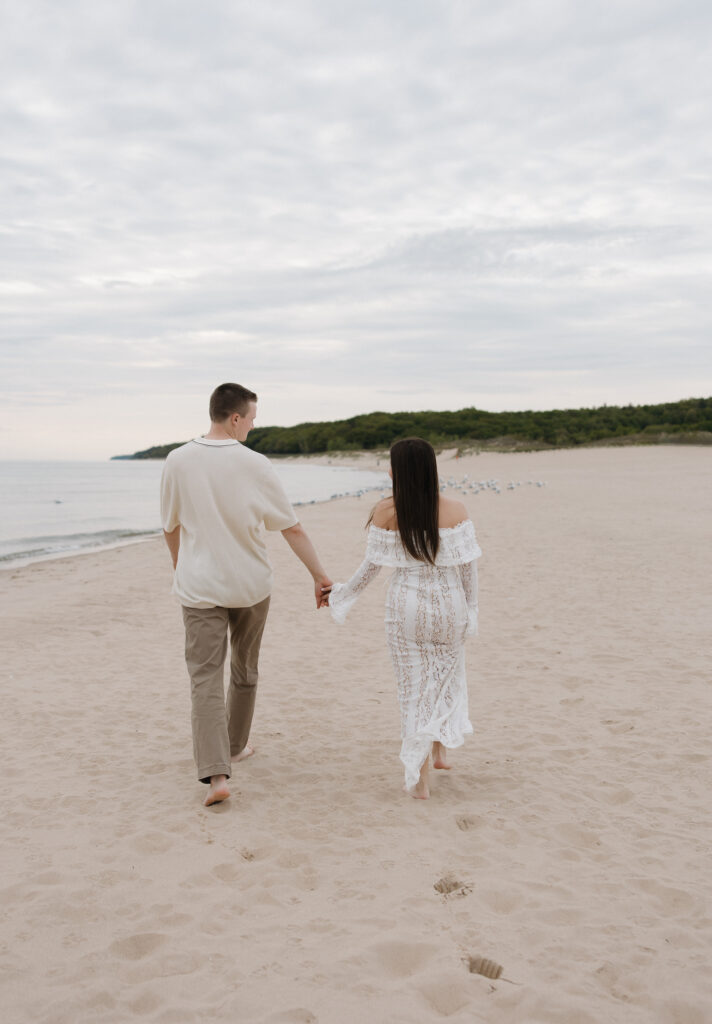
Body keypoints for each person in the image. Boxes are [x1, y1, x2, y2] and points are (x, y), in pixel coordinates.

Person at [160, 382, 332, 806]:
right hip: (251, 585)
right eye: (252, 419)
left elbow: (170, 526)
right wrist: (319, 576)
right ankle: (236, 746)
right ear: (235, 417)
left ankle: (218, 775)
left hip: (200, 586)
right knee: (245, 669)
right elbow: (291, 527)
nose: (253, 427)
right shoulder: (256, 465)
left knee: (204, 677)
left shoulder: (177, 460)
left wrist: (182, 567)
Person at [325, 437, 481, 799]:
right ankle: (440, 752)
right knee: (446, 677)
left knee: (414, 690)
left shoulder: (386, 511)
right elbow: (468, 572)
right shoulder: (457, 509)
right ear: (431, 469)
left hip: (406, 609)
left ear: (396, 471)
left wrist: (339, 593)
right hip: (450, 606)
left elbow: (370, 570)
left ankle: (421, 780)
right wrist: (471, 611)